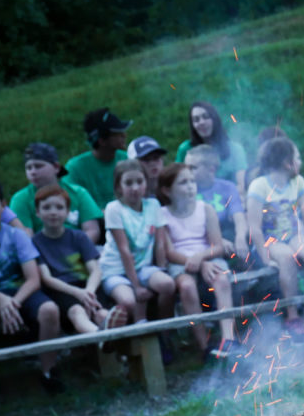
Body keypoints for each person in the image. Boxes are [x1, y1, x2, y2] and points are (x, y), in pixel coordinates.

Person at [0, 176, 63, 393]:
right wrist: (0, 300)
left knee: (49, 310)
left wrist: (13, 302)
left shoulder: (17, 235)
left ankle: (49, 370)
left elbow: (33, 279)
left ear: (3, 205)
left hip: (20, 291)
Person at [158, 163, 237, 359]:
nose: (191, 186)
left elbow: (217, 245)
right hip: (180, 262)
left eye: (192, 181)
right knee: (186, 287)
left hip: (208, 257)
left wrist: (201, 258)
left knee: (221, 279)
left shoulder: (205, 209)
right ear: (167, 190)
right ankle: (205, 343)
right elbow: (169, 252)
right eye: (183, 183)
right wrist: (196, 263)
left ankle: (229, 338)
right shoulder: (162, 214)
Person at [31, 184, 127, 337]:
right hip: (61, 290)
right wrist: (78, 293)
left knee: (102, 314)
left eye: (59, 207)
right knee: (77, 312)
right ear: (37, 212)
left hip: (88, 287)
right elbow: (47, 278)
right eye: (47, 208)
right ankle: (100, 336)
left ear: (68, 212)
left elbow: (95, 269)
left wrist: (88, 292)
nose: (53, 212)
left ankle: (113, 343)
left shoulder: (79, 237)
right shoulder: (35, 242)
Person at [245, 137, 304, 332]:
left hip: (295, 235)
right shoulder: (259, 186)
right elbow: (254, 226)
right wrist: (264, 257)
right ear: (287, 163)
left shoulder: (298, 181)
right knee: (286, 256)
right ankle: (293, 315)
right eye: (297, 157)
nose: (300, 162)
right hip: (270, 240)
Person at [99, 160, 176, 326]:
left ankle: (166, 328)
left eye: (139, 182)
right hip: (116, 270)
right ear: (119, 187)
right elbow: (124, 250)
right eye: (128, 183)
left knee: (168, 284)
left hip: (142, 267)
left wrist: (162, 268)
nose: (135, 188)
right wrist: (136, 286)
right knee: (129, 301)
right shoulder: (114, 209)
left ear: (146, 183)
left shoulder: (153, 205)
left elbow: (160, 243)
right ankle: (133, 338)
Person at [8, 143, 102, 243]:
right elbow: (26, 237)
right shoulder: (21, 198)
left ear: (56, 167)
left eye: (38, 166)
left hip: (79, 249)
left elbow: (92, 230)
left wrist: (79, 252)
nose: (33, 172)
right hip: (42, 251)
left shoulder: (78, 193)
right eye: (29, 168)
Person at [184, 145, 246, 266]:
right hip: (199, 238)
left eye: (193, 168)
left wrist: (240, 237)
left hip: (225, 234)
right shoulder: (187, 190)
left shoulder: (227, 187)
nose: (187, 171)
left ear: (211, 169)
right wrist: (219, 241)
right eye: (186, 167)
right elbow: (189, 226)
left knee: (241, 238)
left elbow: (239, 217)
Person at [64, 107, 131, 210]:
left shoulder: (127, 159)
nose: (124, 135)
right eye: (118, 134)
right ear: (102, 141)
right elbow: (69, 202)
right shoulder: (74, 168)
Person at [175, 101, 247, 193]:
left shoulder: (235, 149)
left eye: (206, 117)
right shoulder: (185, 149)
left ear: (215, 119)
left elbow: (240, 185)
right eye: (196, 120)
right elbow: (178, 182)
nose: (201, 122)